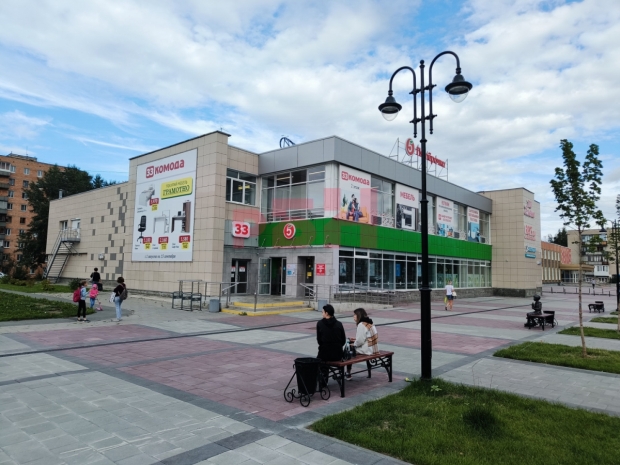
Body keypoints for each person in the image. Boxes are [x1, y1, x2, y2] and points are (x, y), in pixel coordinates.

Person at [346, 308, 378, 380]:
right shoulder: (370, 323)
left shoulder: (361, 325)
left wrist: (353, 344)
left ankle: (348, 373)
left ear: (359, 315)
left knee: (349, 350)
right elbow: (365, 338)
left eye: (355, 314)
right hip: (374, 348)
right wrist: (356, 340)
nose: (353, 316)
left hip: (367, 350)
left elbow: (360, 341)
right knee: (352, 345)